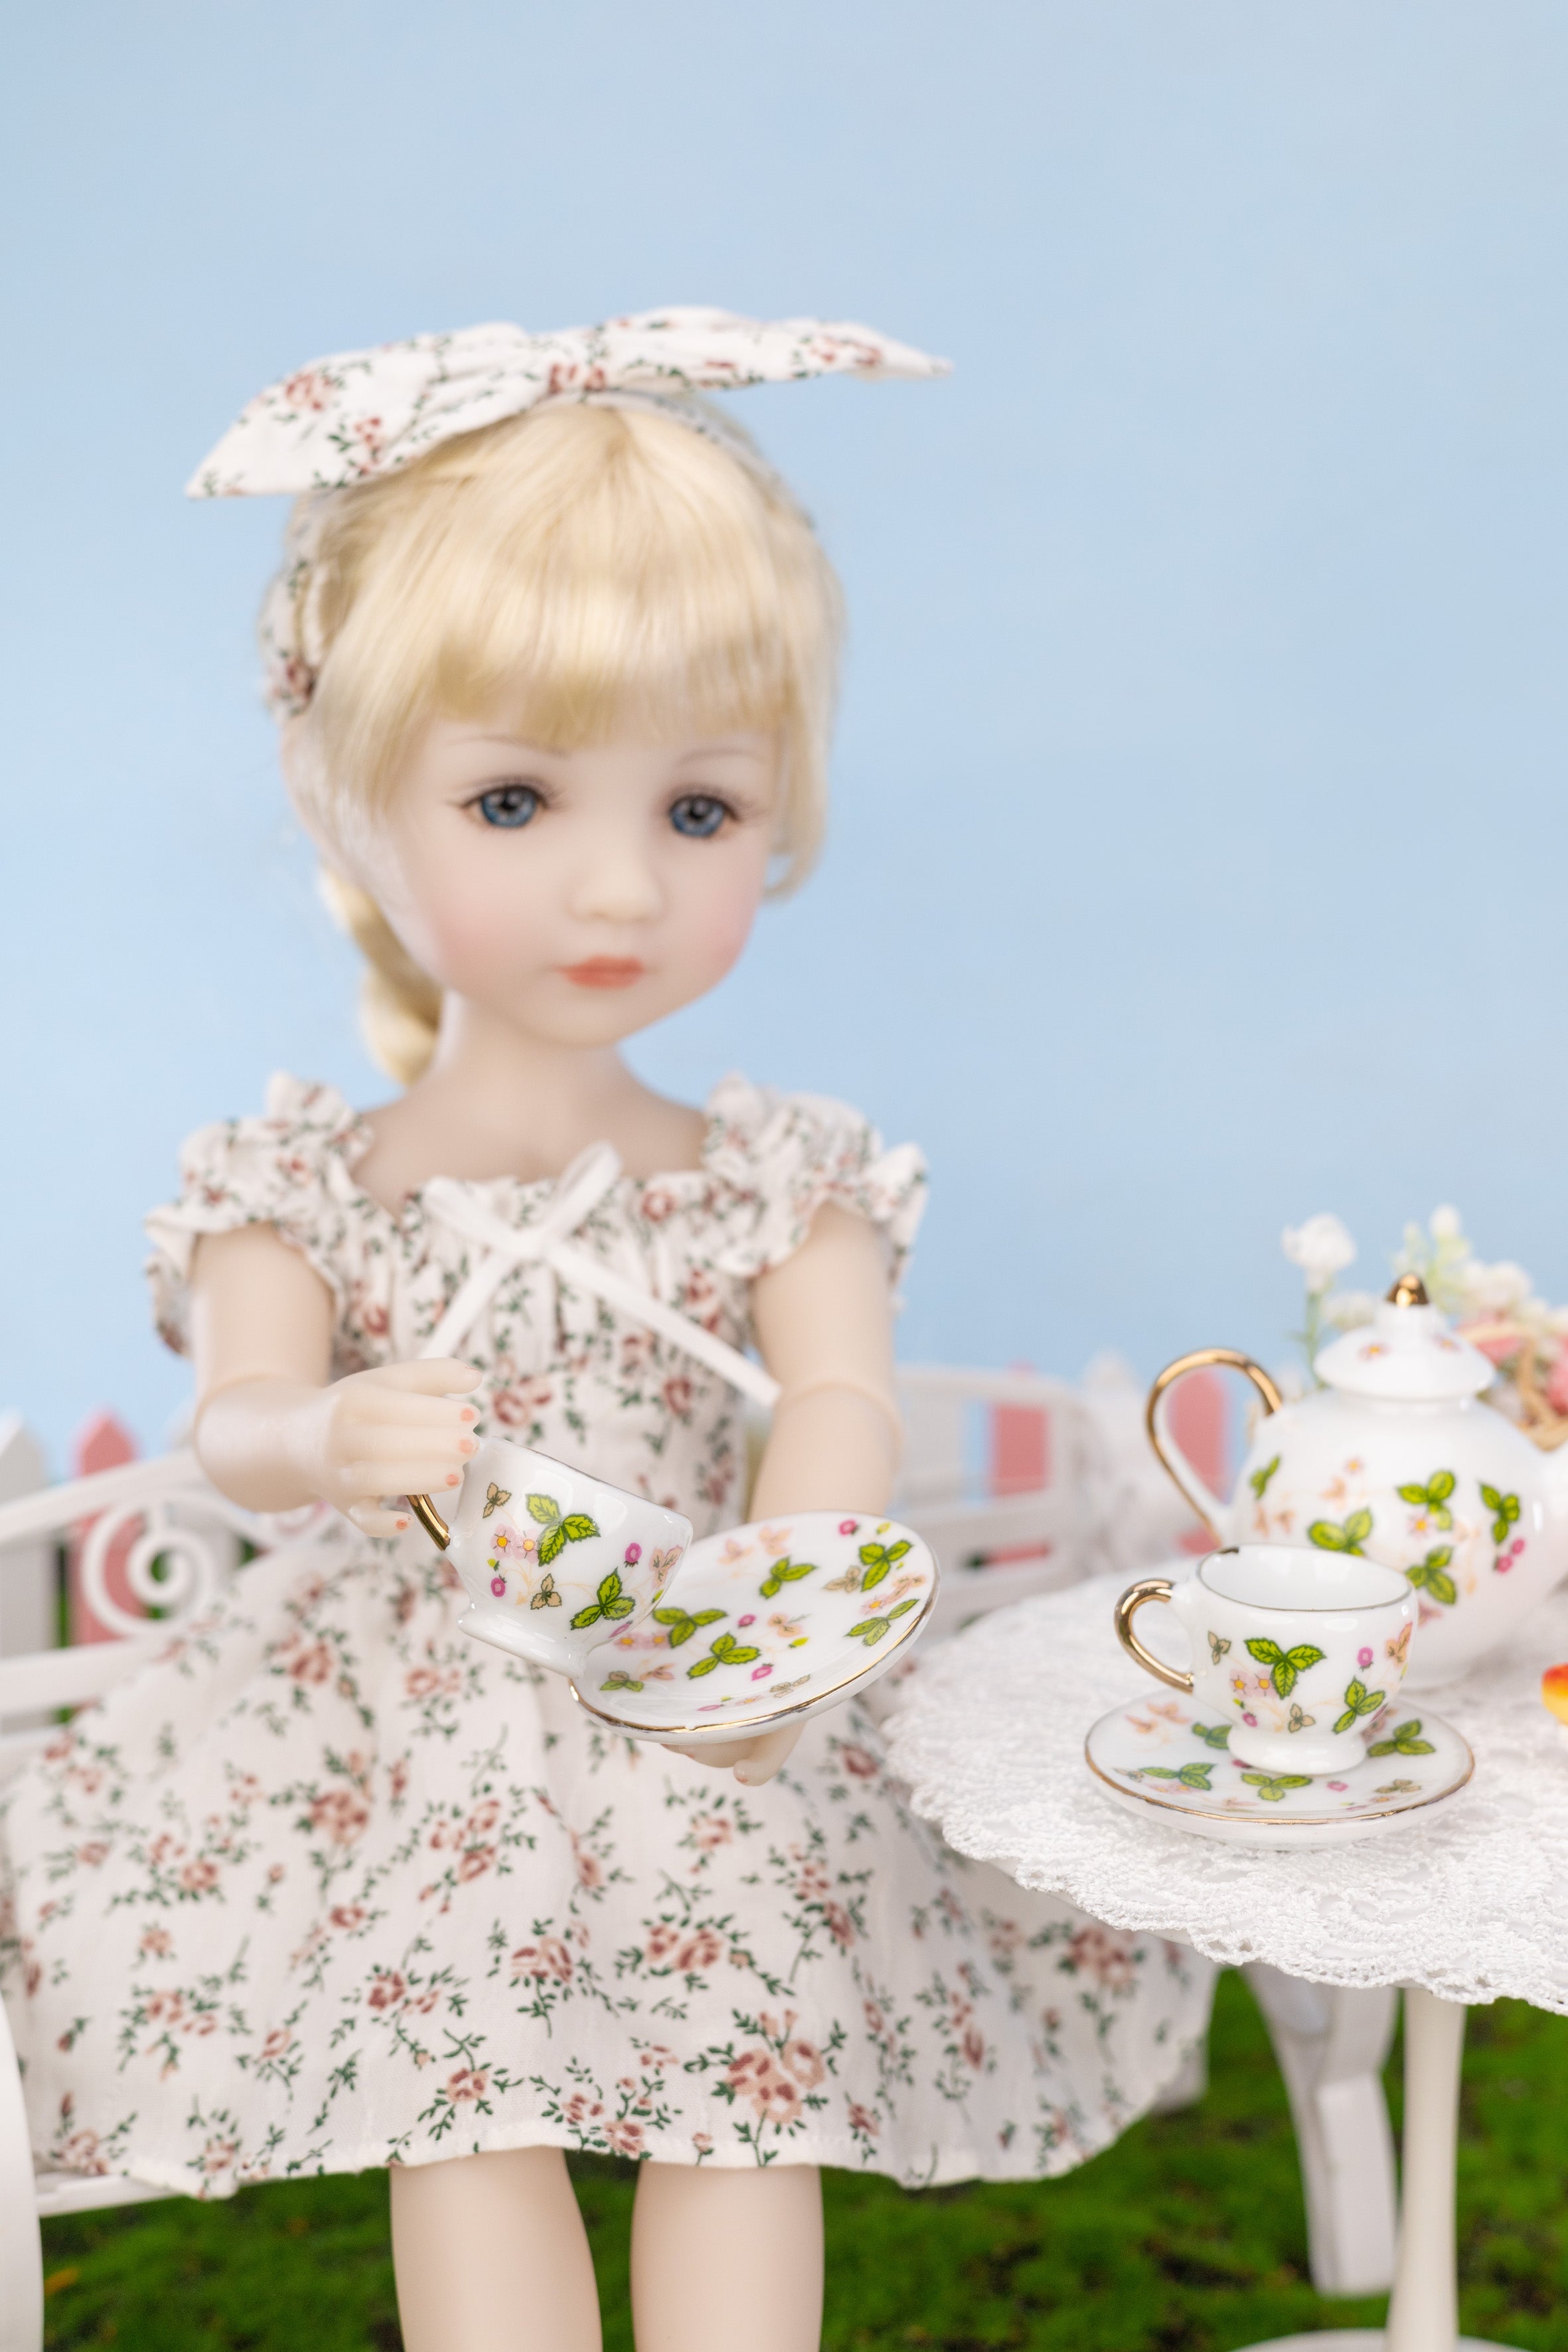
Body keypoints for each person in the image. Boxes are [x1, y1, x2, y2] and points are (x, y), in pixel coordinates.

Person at [0, 310, 1214, 2352]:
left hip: (697, 1660)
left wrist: (779, 1577)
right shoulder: (295, 1183)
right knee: (455, 2023)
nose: (615, 891)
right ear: (337, 789)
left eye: (698, 811)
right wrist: (332, 1437)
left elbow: (829, 1399)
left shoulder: (777, 1177)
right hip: (400, 1684)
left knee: (736, 1965)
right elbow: (243, 1419)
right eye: (511, 803)